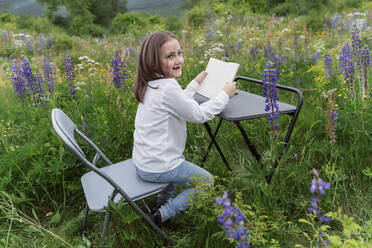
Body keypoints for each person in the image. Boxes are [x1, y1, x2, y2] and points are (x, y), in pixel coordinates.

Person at [132, 30, 236, 224]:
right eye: (170, 56)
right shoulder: (167, 88)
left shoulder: (151, 84)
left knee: (171, 172)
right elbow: (198, 114)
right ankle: (162, 215)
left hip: (143, 161)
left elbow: (177, 103)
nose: (178, 59)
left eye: (179, 53)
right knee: (206, 182)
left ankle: (160, 204)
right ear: (154, 63)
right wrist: (225, 95)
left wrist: (194, 85)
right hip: (159, 165)